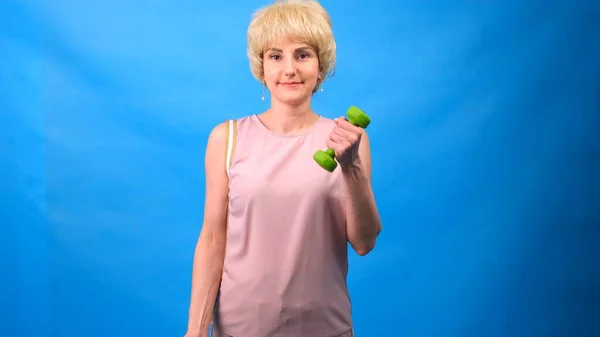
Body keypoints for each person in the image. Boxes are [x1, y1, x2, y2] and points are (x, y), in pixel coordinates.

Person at [184, 0, 382, 336]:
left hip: (324, 327)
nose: (289, 68)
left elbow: (364, 243)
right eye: (276, 56)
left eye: (302, 54)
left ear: (321, 66)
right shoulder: (226, 138)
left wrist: (351, 168)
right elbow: (213, 240)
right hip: (240, 328)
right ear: (262, 67)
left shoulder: (349, 142)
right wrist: (195, 331)